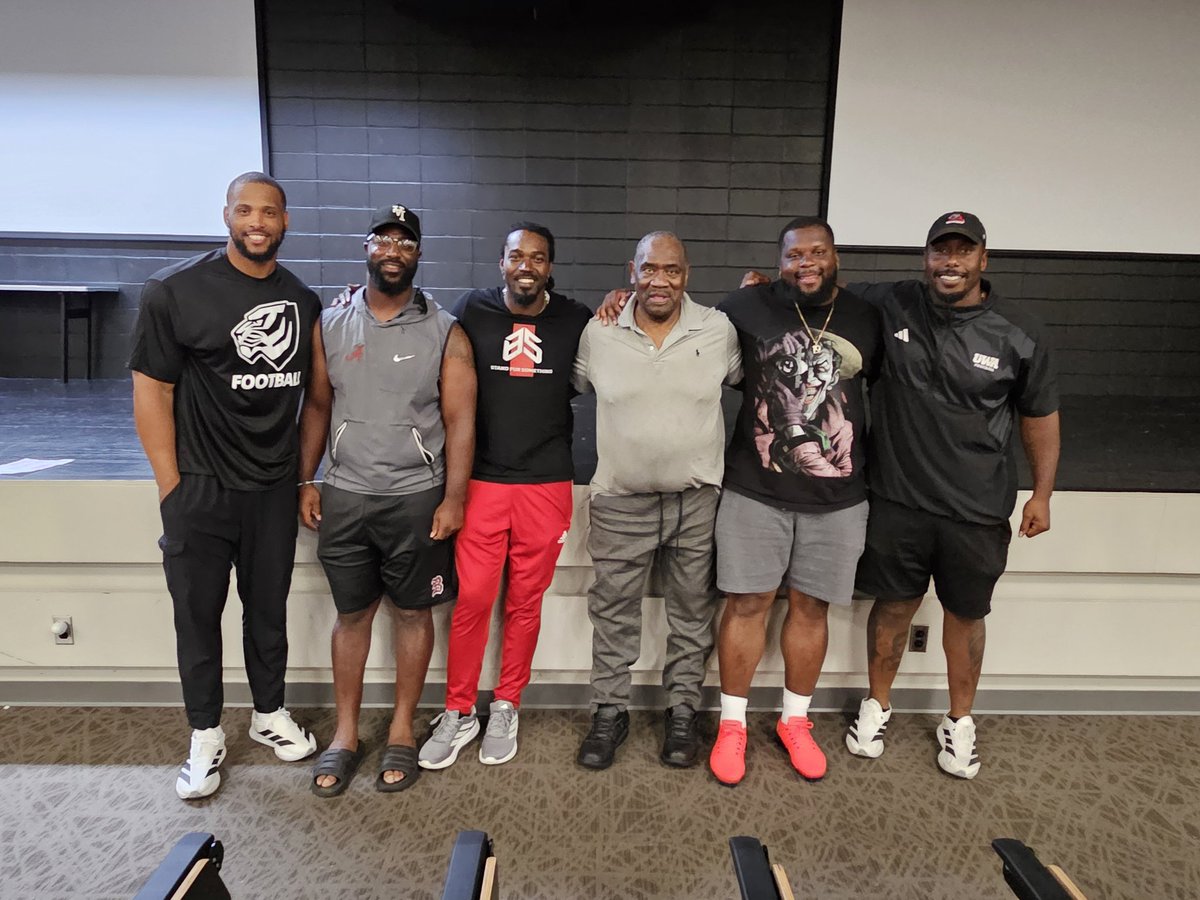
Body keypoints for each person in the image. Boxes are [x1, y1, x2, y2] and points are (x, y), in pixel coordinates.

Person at [843, 212, 1059, 779]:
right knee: (893, 606)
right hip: (898, 500)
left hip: (976, 509)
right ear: (926, 257)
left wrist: (1042, 493)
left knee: (965, 615)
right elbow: (821, 290)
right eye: (941, 250)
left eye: (963, 251)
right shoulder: (892, 303)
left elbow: (1040, 416)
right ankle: (877, 704)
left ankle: (959, 721)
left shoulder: (1019, 331)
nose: (951, 262)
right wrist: (764, 287)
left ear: (983, 259)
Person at [130, 172, 320, 800]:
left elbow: (314, 399)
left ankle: (268, 713)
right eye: (245, 210)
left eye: (269, 212)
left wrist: (299, 476)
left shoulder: (302, 300)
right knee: (198, 617)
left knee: (268, 612)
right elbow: (151, 391)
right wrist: (172, 487)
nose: (256, 222)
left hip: (271, 488)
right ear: (226, 216)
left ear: (285, 221)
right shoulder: (174, 291)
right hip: (201, 488)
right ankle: (206, 733)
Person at [297, 204, 476, 796]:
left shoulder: (446, 330)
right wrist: (306, 479)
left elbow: (461, 420)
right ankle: (345, 734)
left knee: (413, 613)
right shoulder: (331, 322)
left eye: (405, 242)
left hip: (415, 499)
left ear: (418, 254)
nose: (393, 250)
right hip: (346, 495)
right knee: (351, 616)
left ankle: (401, 729)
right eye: (383, 239)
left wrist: (454, 498)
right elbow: (317, 405)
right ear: (366, 247)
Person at [418, 223, 592, 770]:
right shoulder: (472, 309)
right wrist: (354, 297)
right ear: (502, 263)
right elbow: (418, 322)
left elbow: (624, 333)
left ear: (550, 267)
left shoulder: (577, 319)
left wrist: (621, 299)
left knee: (524, 603)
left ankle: (507, 703)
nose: (526, 266)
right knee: (472, 600)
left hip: (546, 483)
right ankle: (458, 710)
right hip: (482, 483)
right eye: (517, 256)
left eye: (537, 257)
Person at [571, 232, 741, 770]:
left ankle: (683, 711)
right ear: (632, 271)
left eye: (671, 270)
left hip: (696, 503)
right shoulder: (599, 332)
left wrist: (759, 291)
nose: (659, 280)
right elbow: (567, 386)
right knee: (612, 614)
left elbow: (753, 377)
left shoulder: (717, 329)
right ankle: (608, 711)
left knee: (692, 613)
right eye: (649, 269)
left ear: (686, 275)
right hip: (620, 503)